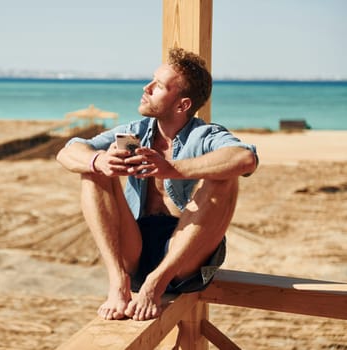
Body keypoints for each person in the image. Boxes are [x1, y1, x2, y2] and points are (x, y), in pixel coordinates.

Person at [56, 47, 258, 321]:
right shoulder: (135, 133)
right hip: (134, 251)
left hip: (185, 259)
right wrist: (99, 161)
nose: (146, 87)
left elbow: (245, 158)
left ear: (182, 105)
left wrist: (173, 169)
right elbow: (69, 151)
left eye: (159, 86)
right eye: (151, 80)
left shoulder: (206, 135)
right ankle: (118, 281)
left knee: (224, 179)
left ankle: (156, 282)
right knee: (92, 170)